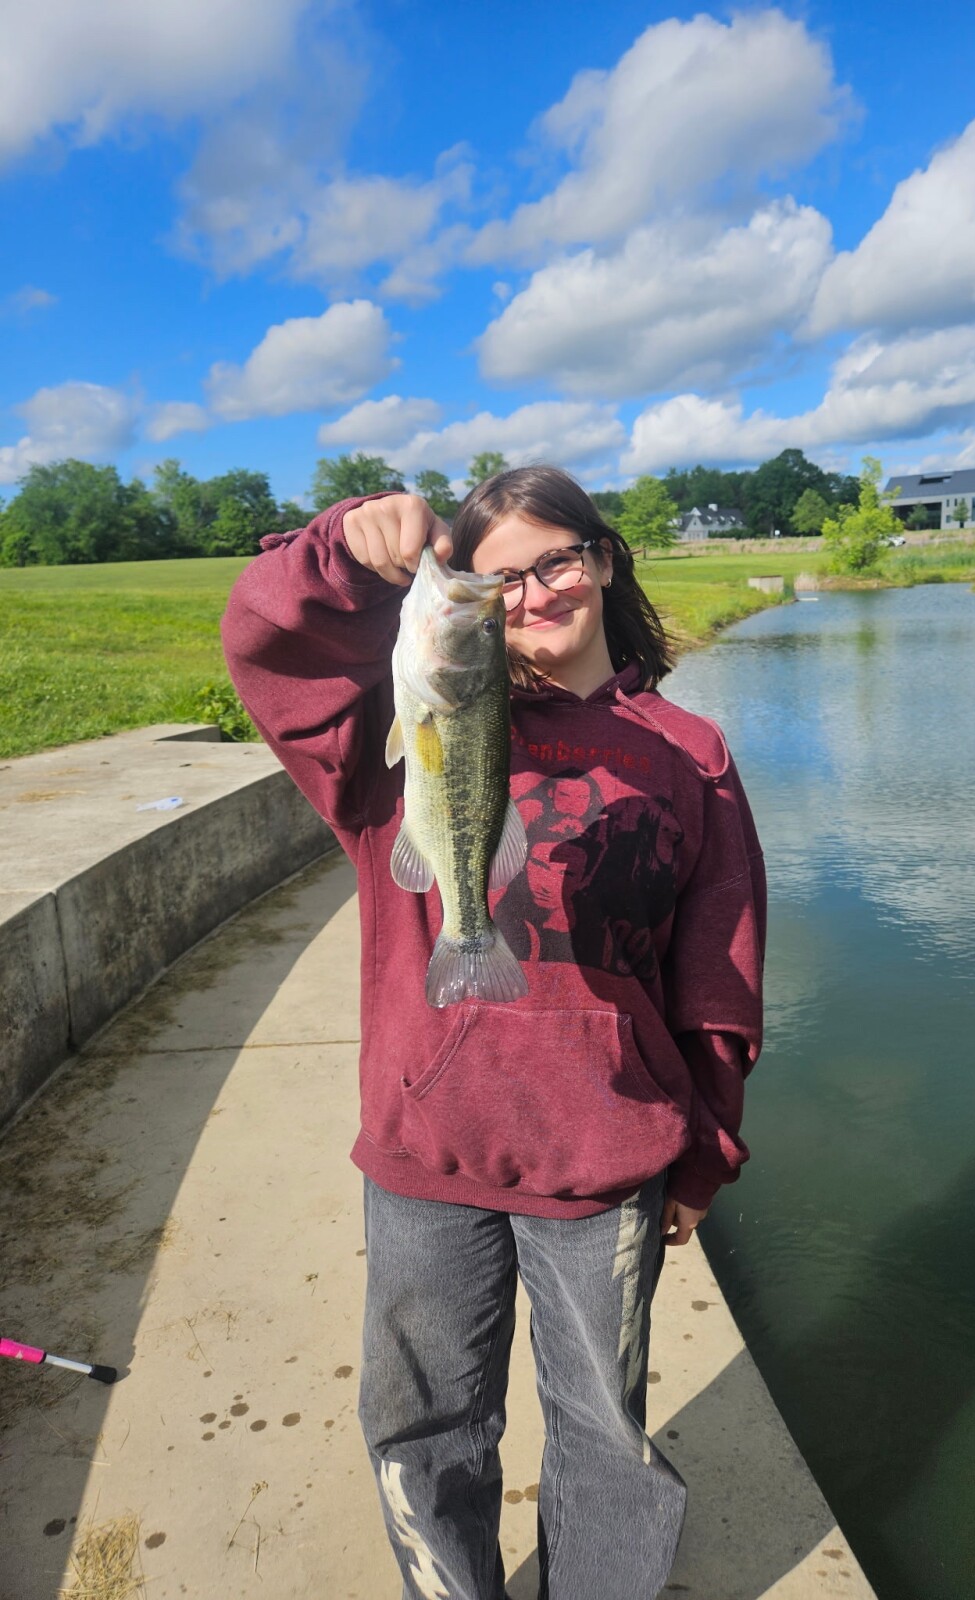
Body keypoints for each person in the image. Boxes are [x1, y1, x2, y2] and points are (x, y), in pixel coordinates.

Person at [221, 465, 767, 1600]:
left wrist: (705, 1151)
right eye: (497, 578)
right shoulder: (392, 741)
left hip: (603, 1157)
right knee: (422, 1426)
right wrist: (343, 552)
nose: (531, 593)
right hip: (428, 1148)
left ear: (603, 560)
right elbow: (271, 648)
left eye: (556, 560)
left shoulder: (692, 754)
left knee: (605, 1438)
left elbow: (719, 976)